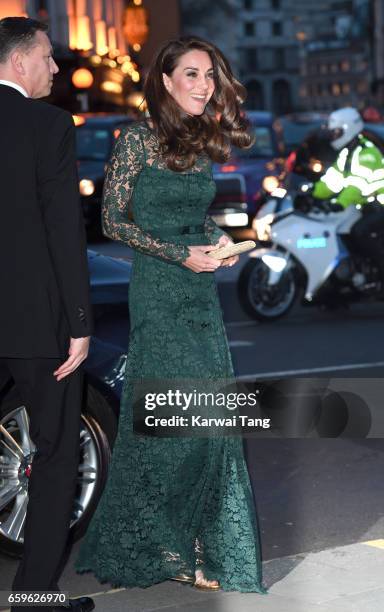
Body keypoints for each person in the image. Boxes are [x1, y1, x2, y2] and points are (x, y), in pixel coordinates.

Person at [76, 36, 266, 593]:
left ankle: (198, 545)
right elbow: (115, 220)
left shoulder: (200, 139)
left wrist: (220, 242)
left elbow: (193, 220)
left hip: (200, 292)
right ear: (165, 80)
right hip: (160, 290)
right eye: (192, 74)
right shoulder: (138, 138)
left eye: (210, 75)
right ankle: (166, 542)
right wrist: (181, 253)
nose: (205, 86)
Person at [0, 17, 94, 612]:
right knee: (56, 453)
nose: (55, 69)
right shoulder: (47, 125)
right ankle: (34, 595)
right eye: (48, 57)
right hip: (37, 324)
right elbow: (64, 230)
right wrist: (80, 322)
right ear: (19, 63)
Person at [313, 107, 384, 287]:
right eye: (332, 133)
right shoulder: (347, 154)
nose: (334, 137)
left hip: (379, 205)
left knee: (360, 231)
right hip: (364, 207)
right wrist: (311, 194)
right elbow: (331, 181)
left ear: (349, 129)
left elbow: (357, 184)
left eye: (337, 132)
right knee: (340, 230)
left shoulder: (368, 153)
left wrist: (340, 203)